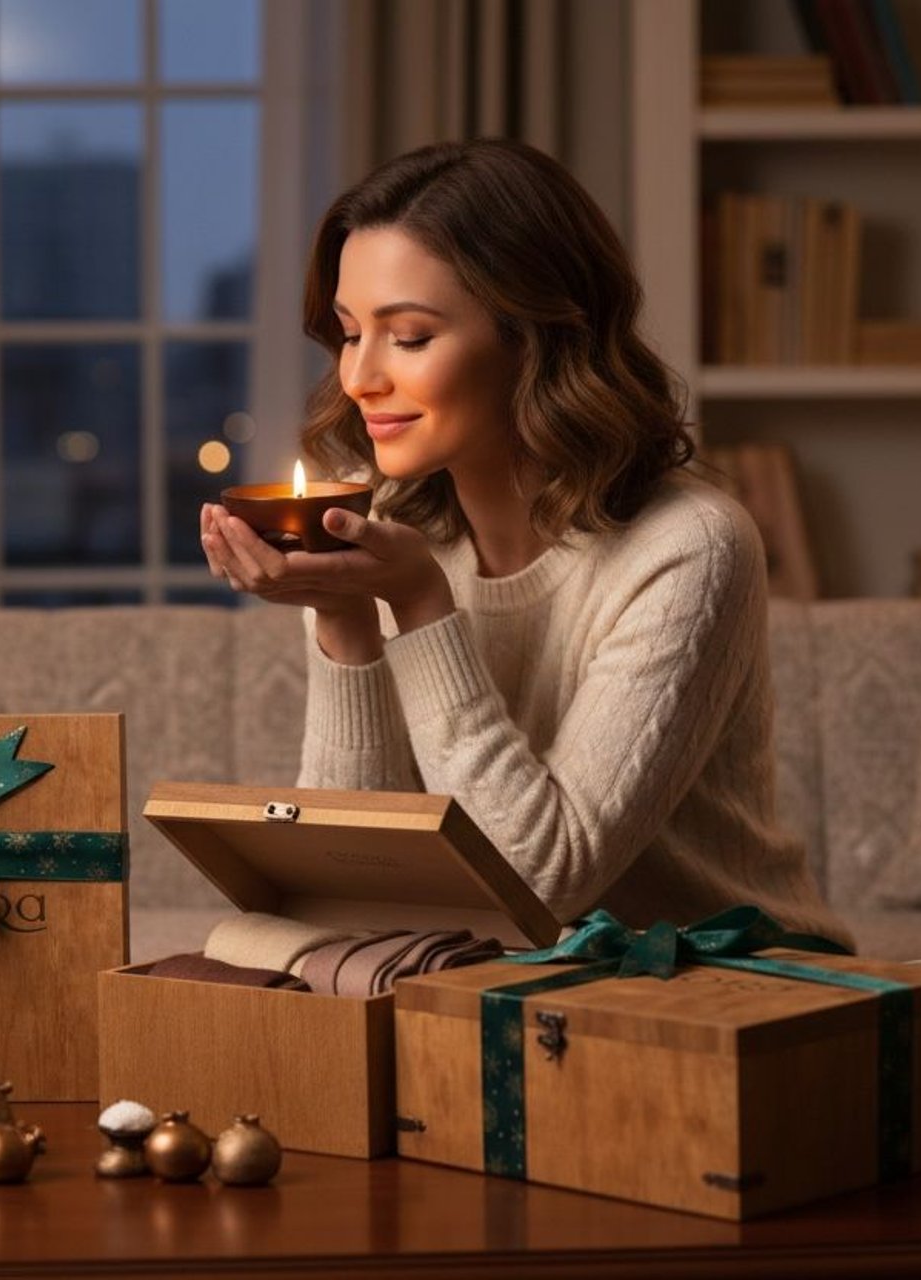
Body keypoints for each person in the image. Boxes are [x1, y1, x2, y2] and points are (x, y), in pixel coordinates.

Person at [199, 139, 851, 949]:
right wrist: (345, 618)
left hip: (721, 976)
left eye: (410, 336)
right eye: (349, 333)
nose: (359, 377)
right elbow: (347, 890)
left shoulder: (689, 548)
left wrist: (421, 605)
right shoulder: (379, 532)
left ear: (534, 337)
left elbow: (539, 880)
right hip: (505, 976)